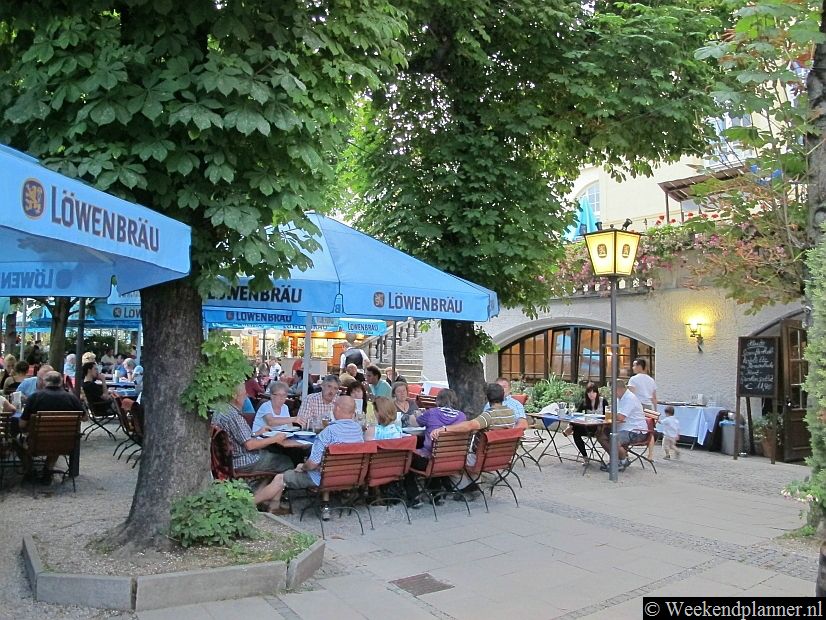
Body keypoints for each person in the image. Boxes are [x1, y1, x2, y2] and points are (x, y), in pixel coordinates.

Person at [259, 395, 364, 519]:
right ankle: (273, 507)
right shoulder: (358, 430)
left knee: (280, 478)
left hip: (323, 478)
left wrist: (302, 467)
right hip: (350, 476)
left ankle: (249, 504)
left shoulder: (328, 433)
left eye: (335, 406)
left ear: (338, 409)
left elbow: (312, 464)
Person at [431, 382, 516, 498]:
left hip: (482, 458)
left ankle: (465, 488)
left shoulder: (488, 415)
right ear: (503, 396)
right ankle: (474, 485)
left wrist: (445, 428)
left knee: (451, 458)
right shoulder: (511, 413)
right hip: (500, 456)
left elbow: (469, 425)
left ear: (487, 397)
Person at [211, 383, 295, 478]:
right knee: (286, 461)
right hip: (244, 461)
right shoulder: (234, 416)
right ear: (235, 396)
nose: (246, 397)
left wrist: (257, 433)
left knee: (275, 454)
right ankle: (271, 489)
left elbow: (240, 437)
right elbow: (250, 445)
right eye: (244, 394)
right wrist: (275, 439)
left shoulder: (221, 411)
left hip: (228, 460)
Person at [402, 389, 466, 507]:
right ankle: (435, 494)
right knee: (435, 453)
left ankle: (414, 497)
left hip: (432, 461)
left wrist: (413, 415)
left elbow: (415, 423)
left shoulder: (432, 413)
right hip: (453, 460)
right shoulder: (462, 416)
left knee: (407, 458)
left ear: (438, 400)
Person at [16, 371, 83, 483]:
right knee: (56, 437)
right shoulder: (71, 398)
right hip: (65, 443)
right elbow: (84, 417)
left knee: (16, 440)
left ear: (44, 382)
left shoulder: (35, 397)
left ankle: (29, 470)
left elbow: (22, 424)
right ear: (61, 382)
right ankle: (48, 470)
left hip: (36, 443)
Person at [597, 379, 648, 472]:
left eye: (612, 390)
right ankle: (619, 460)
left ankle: (622, 461)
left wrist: (610, 413)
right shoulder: (619, 399)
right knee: (600, 435)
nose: (612, 393)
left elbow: (620, 417)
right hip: (623, 428)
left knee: (614, 438)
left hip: (635, 431)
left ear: (618, 389)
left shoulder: (630, 398)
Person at [568, 382, 606, 463]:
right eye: (589, 392)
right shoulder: (585, 402)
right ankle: (585, 456)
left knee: (575, 428)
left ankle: (570, 428)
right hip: (588, 426)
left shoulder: (603, 401)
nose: (591, 394)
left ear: (597, 392)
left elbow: (607, 416)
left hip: (599, 427)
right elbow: (577, 414)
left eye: (593, 392)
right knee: (576, 433)